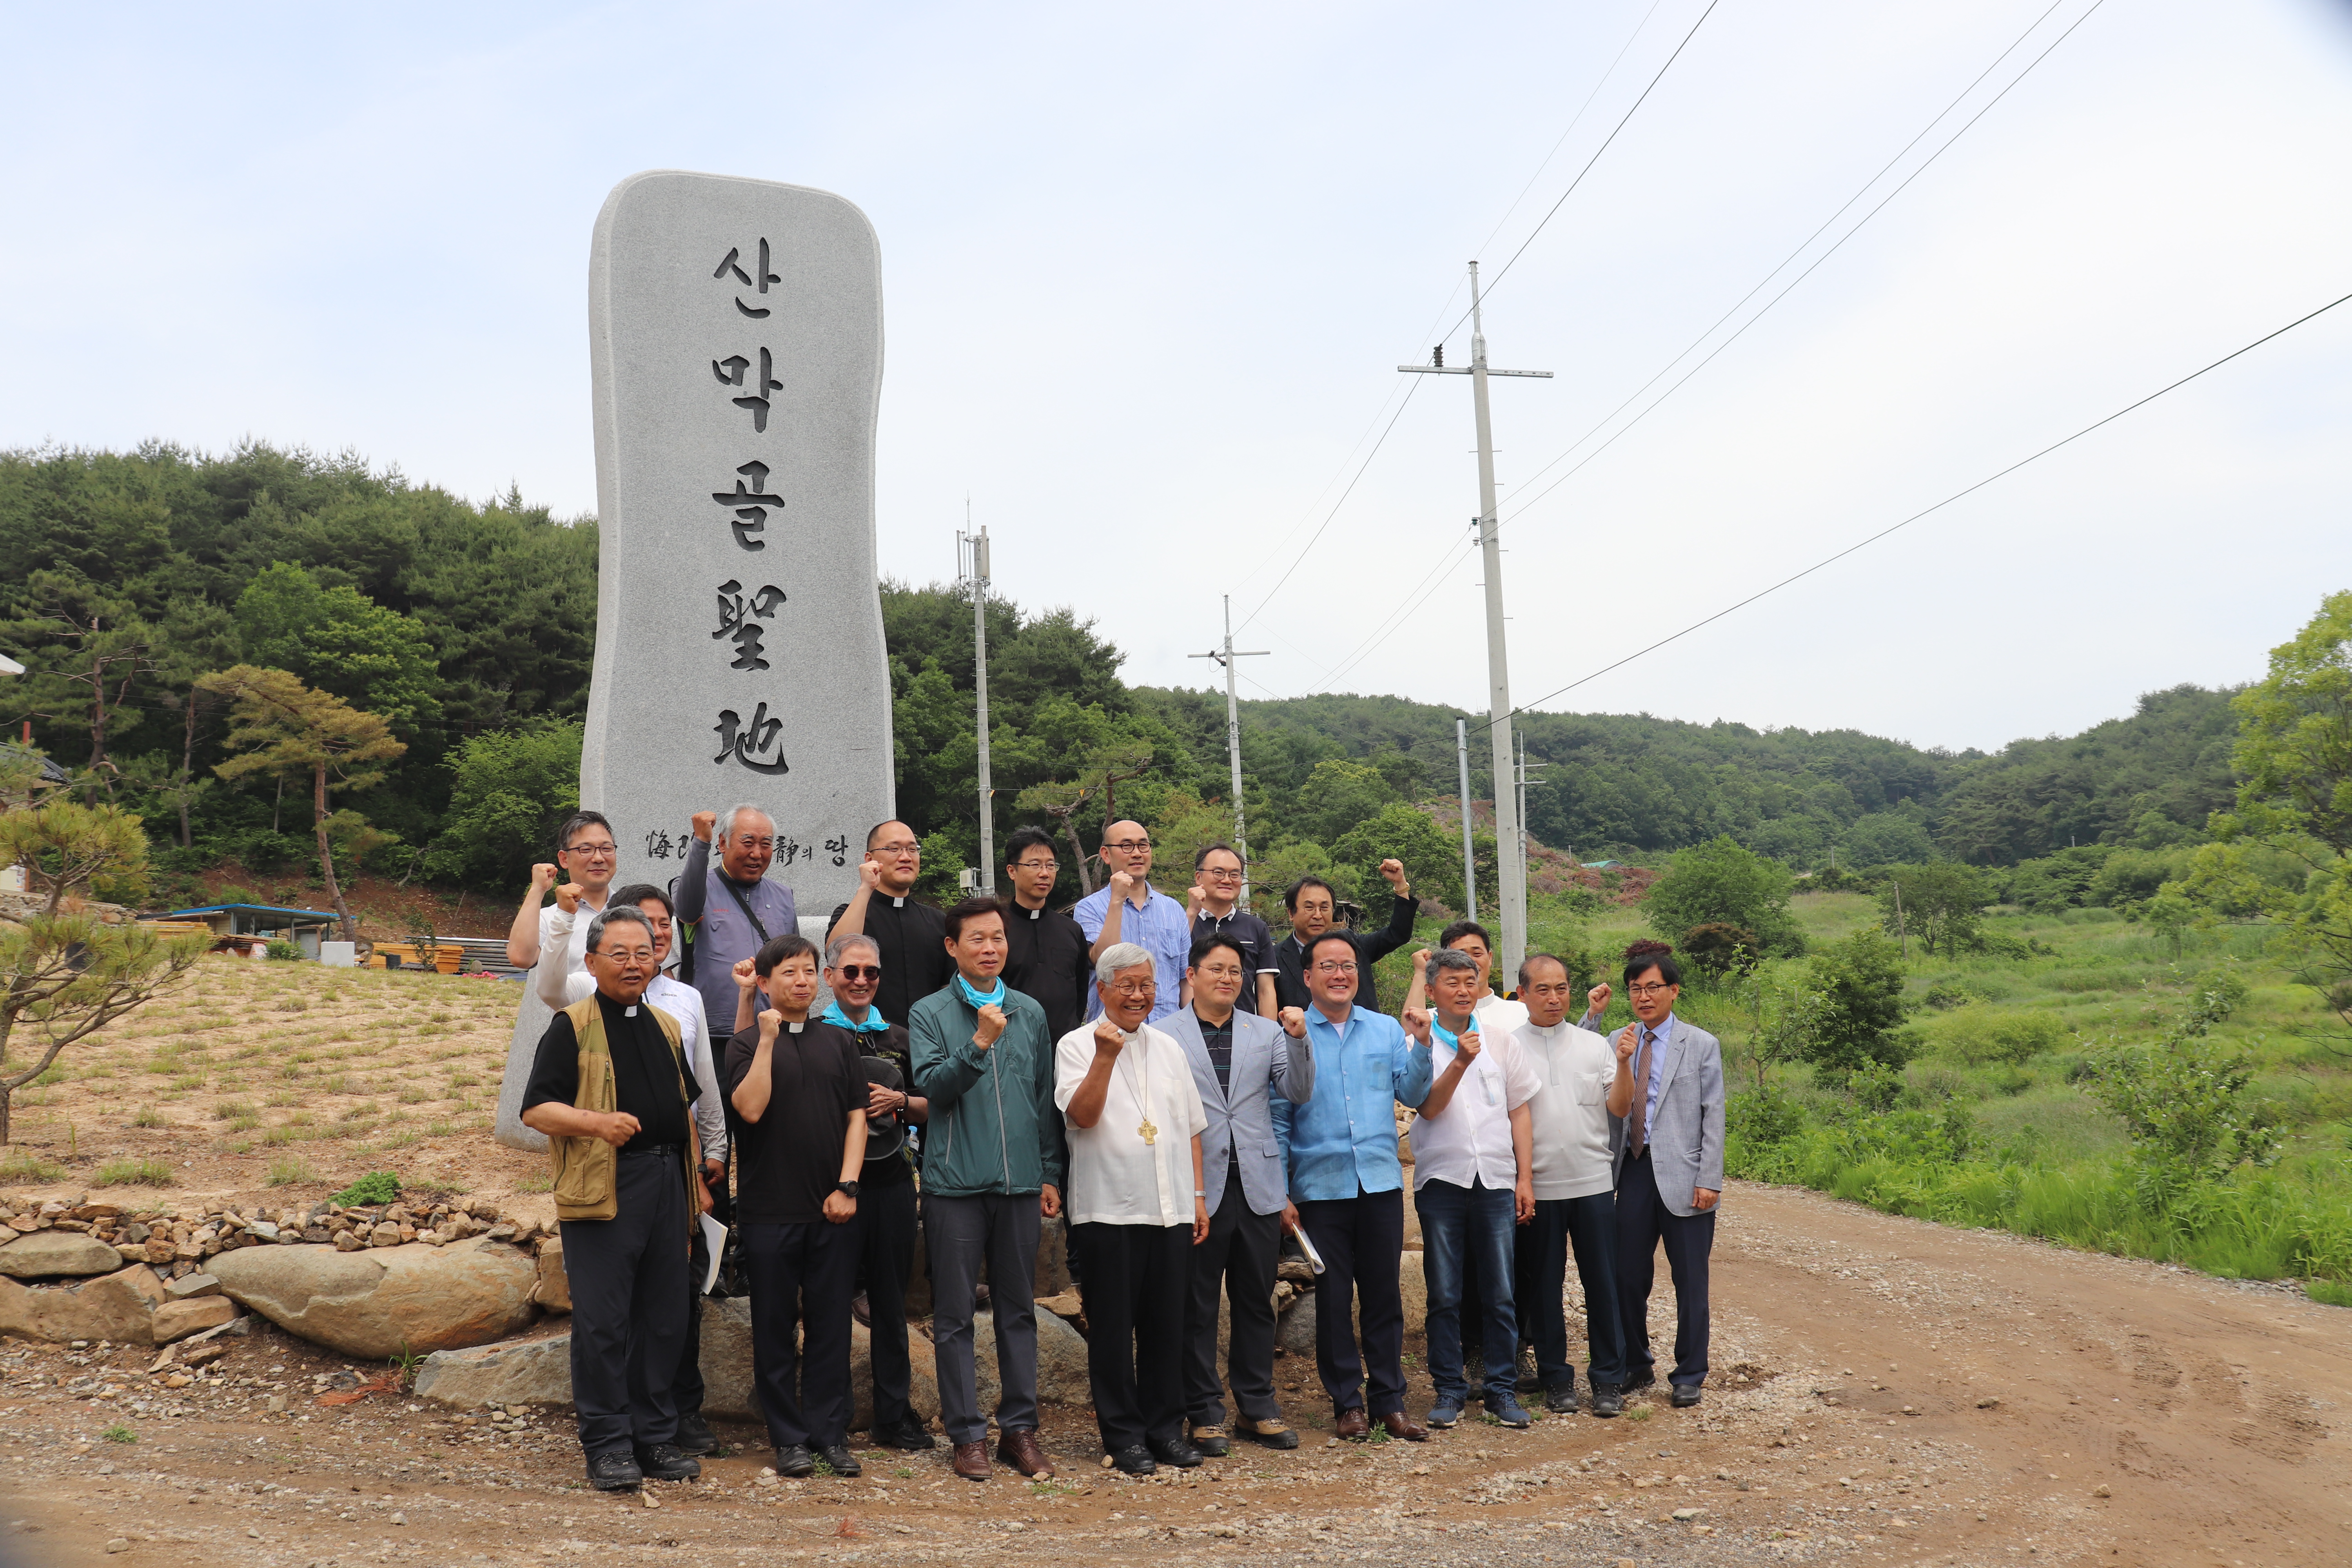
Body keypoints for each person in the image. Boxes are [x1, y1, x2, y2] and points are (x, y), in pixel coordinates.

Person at [519, 906, 708, 1492]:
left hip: (667, 1185)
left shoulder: (667, 1026)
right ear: (593, 961)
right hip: (605, 1188)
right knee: (604, 1322)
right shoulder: (571, 1025)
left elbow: (687, 1113)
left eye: (644, 953)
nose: (634, 963)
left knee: (665, 1316)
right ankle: (606, 1444)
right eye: (620, 954)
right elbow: (536, 1110)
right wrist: (596, 1123)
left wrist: (695, 1186)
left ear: (659, 960)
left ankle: (653, 1437)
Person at [907, 897, 1065, 1483]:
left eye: (998, 938)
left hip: (1021, 1184)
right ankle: (967, 1434)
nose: (991, 948)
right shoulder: (929, 1013)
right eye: (977, 939)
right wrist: (977, 1044)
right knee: (953, 1316)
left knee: (1017, 1311)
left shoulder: (1029, 1011)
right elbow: (931, 1090)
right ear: (952, 948)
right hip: (954, 1186)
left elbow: (1043, 1099)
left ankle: (1019, 1431)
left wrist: (1049, 1172)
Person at [1269, 931, 1434, 1443]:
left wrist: (1424, 1043)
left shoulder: (1386, 1030)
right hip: (1319, 1188)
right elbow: (1278, 1120)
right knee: (1334, 1300)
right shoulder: (1290, 1034)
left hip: (1380, 1182)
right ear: (1309, 976)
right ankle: (1347, 1404)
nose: (1340, 974)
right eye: (1328, 966)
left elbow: (1412, 1092)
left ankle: (1390, 1402)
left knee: (1385, 1296)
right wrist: (1281, 1192)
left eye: (1348, 965)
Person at [1056, 943, 1211, 1475]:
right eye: (1127, 985)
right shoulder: (1077, 1045)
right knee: (1114, 1332)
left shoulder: (1169, 1047)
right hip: (1108, 1211)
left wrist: (1196, 1196)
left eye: (1147, 985)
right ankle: (1124, 1436)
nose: (1139, 995)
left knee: (1169, 1327)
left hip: (1169, 1209)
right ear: (1102, 990)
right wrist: (1105, 1056)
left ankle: (1166, 1430)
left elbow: (1190, 1125)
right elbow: (1081, 1115)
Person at [1161, 932, 1314, 1456]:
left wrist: (1298, 1039)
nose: (1228, 978)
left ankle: (1258, 1406)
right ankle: (1203, 1413)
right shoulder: (1165, 1034)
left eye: (1235, 971)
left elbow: (1295, 1091)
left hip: (1257, 1182)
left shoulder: (1268, 1032)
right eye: (1217, 969)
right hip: (1197, 1185)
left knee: (1256, 1301)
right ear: (1192, 976)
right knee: (1197, 1305)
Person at [722, 934, 868, 1478]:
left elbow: (857, 1116)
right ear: (764, 983)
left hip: (833, 1209)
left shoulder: (839, 1042)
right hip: (768, 1213)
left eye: (809, 971)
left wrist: (849, 1185)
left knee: (832, 1326)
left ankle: (830, 1435)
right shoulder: (743, 1045)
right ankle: (788, 1438)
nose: (801, 981)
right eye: (788, 972)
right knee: (774, 1327)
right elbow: (749, 1111)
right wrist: (765, 1041)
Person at [1406, 947, 1539, 1429]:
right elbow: (1428, 1107)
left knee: (1500, 1292)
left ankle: (1502, 1390)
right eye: (1452, 983)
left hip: (1498, 1181)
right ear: (1432, 989)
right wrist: (1458, 1060)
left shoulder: (1502, 1040)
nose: (1463, 990)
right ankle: (1449, 1390)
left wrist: (1525, 1177)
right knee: (1444, 1292)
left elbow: (1519, 1109)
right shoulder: (1417, 1045)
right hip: (1442, 1180)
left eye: (1471, 980)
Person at [821, 932, 934, 1452]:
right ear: (830, 977)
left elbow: (936, 1103)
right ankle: (831, 1417)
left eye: (871, 972)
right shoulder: (815, 1034)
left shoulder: (902, 1037)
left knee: (891, 1302)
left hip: (890, 1184)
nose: (861, 981)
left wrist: (902, 1100)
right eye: (850, 972)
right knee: (830, 1302)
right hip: (830, 1190)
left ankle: (895, 1413)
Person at [1512, 952, 1630, 1417]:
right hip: (1538, 1186)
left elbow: (1618, 1108)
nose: (1554, 997)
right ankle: (1556, 1378)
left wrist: (1623, 1064)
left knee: (1603, 1283)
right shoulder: (1508, 1046)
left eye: (1561, 987)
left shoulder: (1593, 1044)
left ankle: (1607, 1380)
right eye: (1542, 989)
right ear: (1522, 994)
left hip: (1594, 1183)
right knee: (1544, 1287)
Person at [1609, 940, 1724, 1408]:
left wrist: (1709, 1178)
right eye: (1636, 989)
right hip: (1633, 1168)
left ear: (1674, 991)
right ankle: (1636, 1364)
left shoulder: (1700, 1044)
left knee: (1690, 1278)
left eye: (1653, 987)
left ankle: (1690, 1372)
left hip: (1685, 1170)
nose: (1644, 997)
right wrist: (1594, 1019)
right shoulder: (1620, 1038)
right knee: (1627, 1276)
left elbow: (1712, 1113)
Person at [675, 804, 800, 1047]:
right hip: (712, 1031)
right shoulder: (696, 887)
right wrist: (701, 841)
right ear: (722, 844)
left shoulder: (783, 896)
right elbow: (687, 911)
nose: (757, 853)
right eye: (748, 842)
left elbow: (794, 960)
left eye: (766, 844)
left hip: (773, 1029)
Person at [828, 820, 953, 1028]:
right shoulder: (849, 914)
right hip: (867, 1040)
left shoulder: (938, 921)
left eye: (913, 849)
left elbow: (948, 987)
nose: (906, 857)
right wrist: (866, 888)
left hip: (930, 1044)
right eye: (894, 849)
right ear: (870, 859)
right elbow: (838, 952)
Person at [1073, 820, 1189, 1024]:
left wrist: (1192, 1027)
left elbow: (1186, 979)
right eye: (1126, 846)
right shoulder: (1089, 908)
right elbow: (1100, 960)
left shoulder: (1173, 909)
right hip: (1113, 1034)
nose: (1137, 853)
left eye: (1143, 845)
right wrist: (1117, 900)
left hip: (1169, 1034)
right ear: (1106, 855)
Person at [1270, 863, 1417, 1013]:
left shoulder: (1353, 944)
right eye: (1309, 908)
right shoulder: (1274, 958)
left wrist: (1400, 884)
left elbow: (1398, 934)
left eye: (1325, 908)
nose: (1318, 915)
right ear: (1291, 913)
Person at [999, 827, 1091, 1044]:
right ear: (1012, 871)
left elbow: (1080, 993)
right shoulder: (997, 929)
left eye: (1051, 866)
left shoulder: (1071, 930)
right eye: (1034, 865)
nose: (1045, 873)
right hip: (1012, 1049)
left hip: (1065, 1050)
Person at [504, 810, 619, 974]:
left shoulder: (632, 909)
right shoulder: (550, 917)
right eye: (586, 850)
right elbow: (520, 958)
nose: (599, 858)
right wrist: (538, 889)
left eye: (607, 849)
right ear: (564, 859)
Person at [1186, 844, 1278, 1017]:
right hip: (1191, 1030)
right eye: (1218, 873)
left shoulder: (1256, 927)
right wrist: (1191, 914)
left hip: (1244, 1030)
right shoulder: (1183, 922)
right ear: (1199, 877)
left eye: (1235, 874)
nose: (1227, 880)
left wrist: (1270, 1037)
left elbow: (1265, 991)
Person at [1399, 920, 1529, 1039]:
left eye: (1477, 954)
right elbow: (1410, 1035)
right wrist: (1422, 971)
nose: (1471, 962)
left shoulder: (1524, 1012)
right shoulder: (1435, 1018)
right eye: (1460, 956)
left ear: (1490, 958)